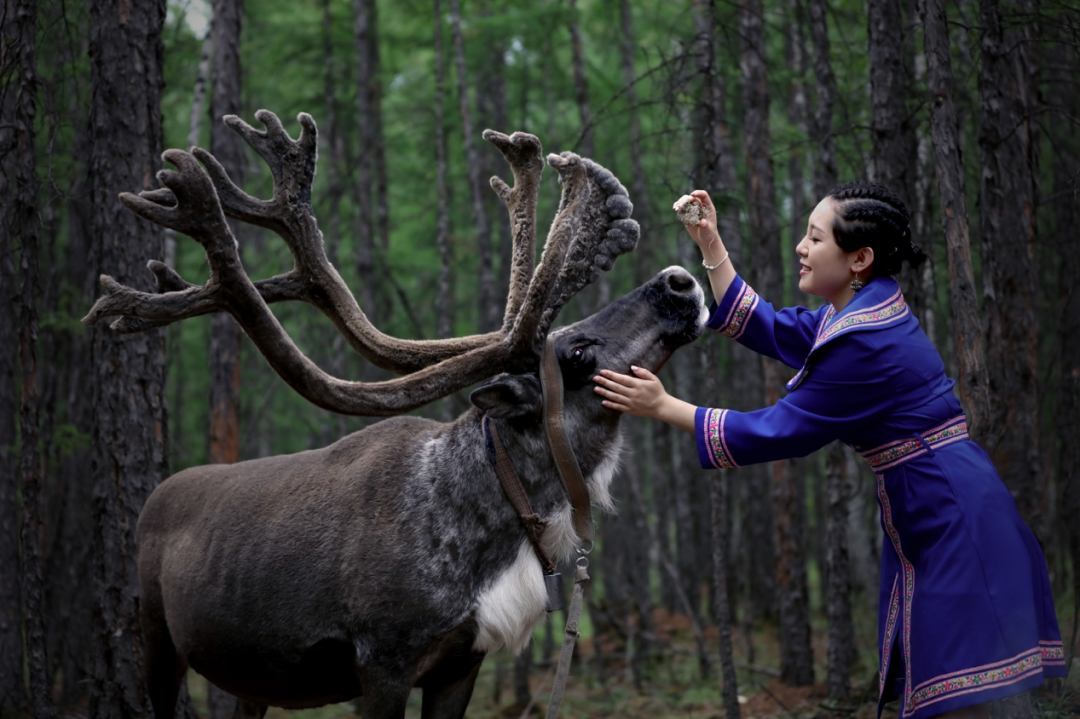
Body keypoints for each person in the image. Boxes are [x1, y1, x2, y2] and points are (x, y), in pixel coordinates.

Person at [592, 183, 1066, 719]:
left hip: (957, 521)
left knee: (971, 698)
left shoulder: (863, 340)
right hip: (945, 509)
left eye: (815, 238)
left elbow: (779, 430)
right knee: (959, 692)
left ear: (858, 258)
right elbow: (769, 326)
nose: (801, 246)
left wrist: (665, 406)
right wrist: (711, 244)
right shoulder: (858, 314)